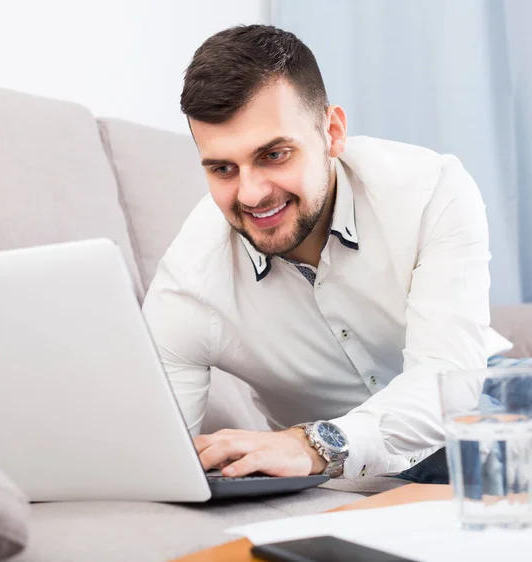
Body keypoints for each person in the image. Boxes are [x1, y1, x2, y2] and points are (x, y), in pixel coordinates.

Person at [142, 24, 515, 483]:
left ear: (332, 132)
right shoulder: (190, 283)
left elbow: (449, 389)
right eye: (222, 168)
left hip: (479, 399)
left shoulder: (430, 190)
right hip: (340, 473)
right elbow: (153, 456)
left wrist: (314, 443)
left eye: (274, 155)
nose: (252, 194)